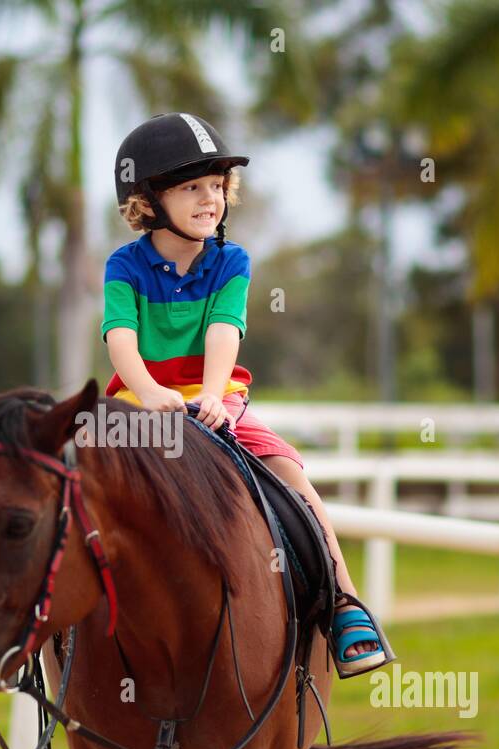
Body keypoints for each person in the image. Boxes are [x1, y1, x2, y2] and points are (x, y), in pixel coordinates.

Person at [102, 112, 396, 679]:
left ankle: (343, 603)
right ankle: (54, 623)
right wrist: (148, 391)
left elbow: (223, 331)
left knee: (288, 471)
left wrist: (211, 396)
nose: (210, 198)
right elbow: (121, 340)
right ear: (148, 200)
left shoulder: (230, 261)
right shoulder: (124, 266)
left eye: (217, 186)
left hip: (215, 397)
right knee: (77, 476)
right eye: (192, 187)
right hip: (141, 401)